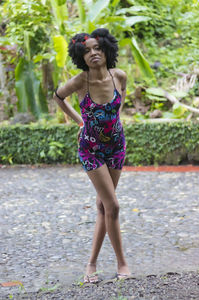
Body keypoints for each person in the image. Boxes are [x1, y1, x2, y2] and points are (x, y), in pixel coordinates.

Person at [53, 28, 131, 283]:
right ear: (81, 57)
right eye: (86, 51)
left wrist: (116, 121)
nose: (93, 53)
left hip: (117, 148)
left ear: (107, 49)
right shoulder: (80, 81)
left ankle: (91, 265)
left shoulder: (119, 76)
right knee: (113, 205)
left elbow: (119, 104)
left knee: (102, 206)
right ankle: (122, 263)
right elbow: (58, 97)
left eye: (97, 48)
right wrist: (80, 122)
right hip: (91, 150)